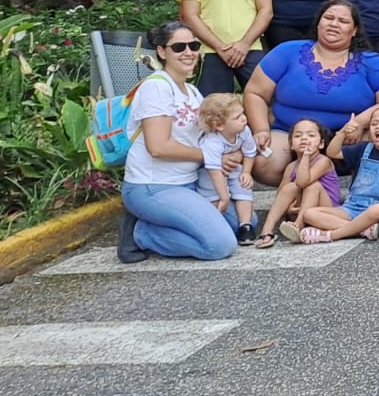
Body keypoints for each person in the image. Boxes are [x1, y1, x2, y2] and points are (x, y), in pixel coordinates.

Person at [243, 0, 379, 185]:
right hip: (289, 133)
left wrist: (360, 123)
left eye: (343, 21)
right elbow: (255, 93)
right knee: (265, 163)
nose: (334, 24)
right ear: (318, 22)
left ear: (354, 31)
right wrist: (261, 130)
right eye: (328, 18)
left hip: (349, 137)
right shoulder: (286, 51)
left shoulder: (372, 62)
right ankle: (299, 187)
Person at [116, 22, 240, 263]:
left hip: (189, 183)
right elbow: (158, 147)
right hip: (153, 186)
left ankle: (173, 222)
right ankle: (140, 232)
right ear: (162, 52)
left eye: (194, 46)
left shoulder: (193, 92)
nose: (189, 52)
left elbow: (208, 139)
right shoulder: (156, 88)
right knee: (220, 245)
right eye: (179, 47)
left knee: (242, 223)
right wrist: (211, 158)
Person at [287, 104, 379, 244]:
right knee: (309, 214)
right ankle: (361, 230)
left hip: (375, 208)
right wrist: (342, 133)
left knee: (378, 210)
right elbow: (332, 152)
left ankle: (331, 235)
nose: (378, 127)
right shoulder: (363, 148)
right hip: (350, 206)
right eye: (374, 123)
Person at [254, 117, 339, 248]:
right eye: (298, 135)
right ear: (292, 145)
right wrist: (288, 208)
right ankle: (267, 231)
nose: (304, 138)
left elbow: (303, 182)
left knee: (313, 185)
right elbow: (281, 194)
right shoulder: (291, 167)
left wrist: (305, 156)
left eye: (311, 135)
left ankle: (299, 225)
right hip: (301, 208)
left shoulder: (323, 162)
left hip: (325, 210)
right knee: (289, 187)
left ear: (321, 144)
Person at [195, 92, 259, 246]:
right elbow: (214, 172)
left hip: (234, 168)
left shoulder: (244, 131)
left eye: (242, 113)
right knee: (212, 195)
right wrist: (224, 197)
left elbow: (250, 152)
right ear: (219, 125)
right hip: (211, 174)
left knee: (243, 188)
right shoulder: (212, 142)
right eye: (237, 117)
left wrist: (246, 172)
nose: (244, 118)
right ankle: (211, 224)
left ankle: (246, 225)